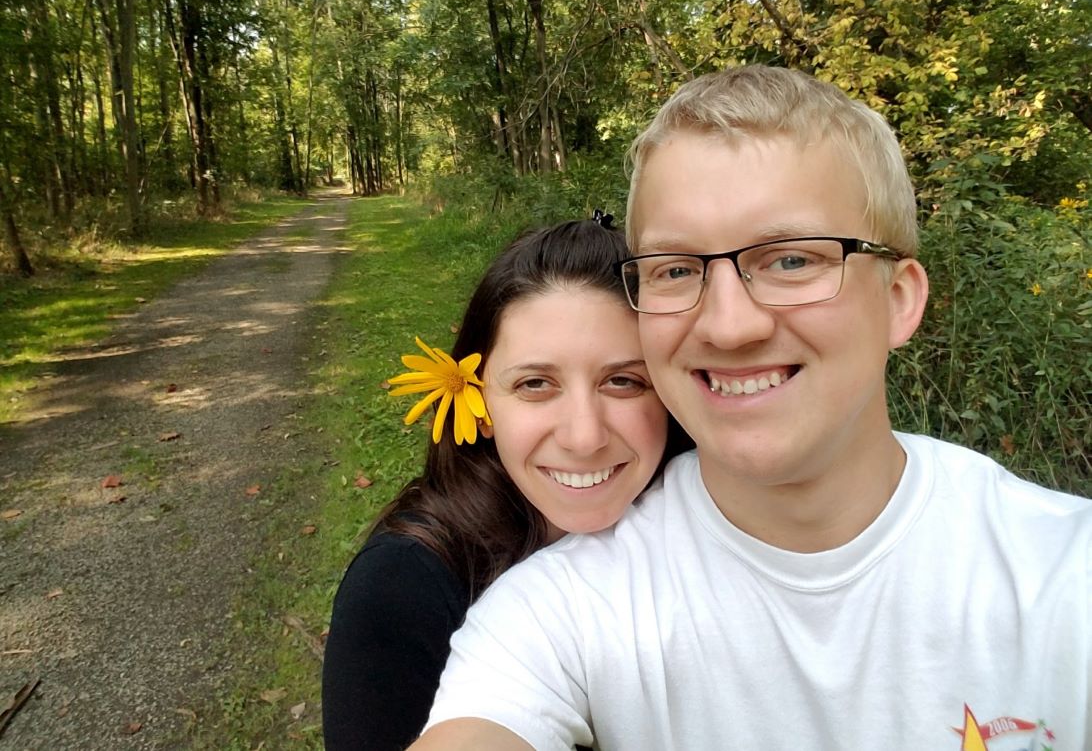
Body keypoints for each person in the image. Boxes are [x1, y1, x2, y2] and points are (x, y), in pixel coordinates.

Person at [409, 66, 1092, 749]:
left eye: (791, 260)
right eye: (676, 269)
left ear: (898, 298)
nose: (729, 326)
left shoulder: (1063, 577)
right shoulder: (559, 613)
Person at [321, 218, 691, 750]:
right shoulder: (404, 590)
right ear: (480, 403)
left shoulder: (712, 525)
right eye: (535, 384)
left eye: (623, 381)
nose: (584, 437)